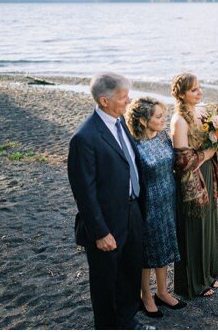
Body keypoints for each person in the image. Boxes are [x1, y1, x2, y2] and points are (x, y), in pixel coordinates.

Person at [66, 72, 148, 330]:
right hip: (107, 222)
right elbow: (84, 193)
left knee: (130, 274)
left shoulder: (119, 120)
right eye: (123, 97)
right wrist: (100, 232)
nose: (128, 101)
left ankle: (128, 322)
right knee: (106, 283)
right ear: (104, 100)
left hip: (132, 212)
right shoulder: (84, 138)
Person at [125, 97, 186, 318]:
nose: (164, 120)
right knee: (147, 252)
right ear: (142, 120)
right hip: (147, 204)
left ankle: (162, 291)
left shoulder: (162, 136)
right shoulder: (133, 144)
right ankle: (146, 296)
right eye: (158, 116)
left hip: (168, 200)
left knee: (165, 245)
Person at [169, 73, 218, 299]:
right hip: (191, 180)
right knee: (193, 228)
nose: (199, 92)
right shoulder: (179, 121)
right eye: (193, 90)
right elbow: (182, 162)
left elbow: (214, 141)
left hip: (207, 172)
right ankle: (192, 284)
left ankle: (207, 274)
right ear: (181, 94)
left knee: (208, 223)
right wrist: (208, 152)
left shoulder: (202, 112)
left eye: (200, 87)